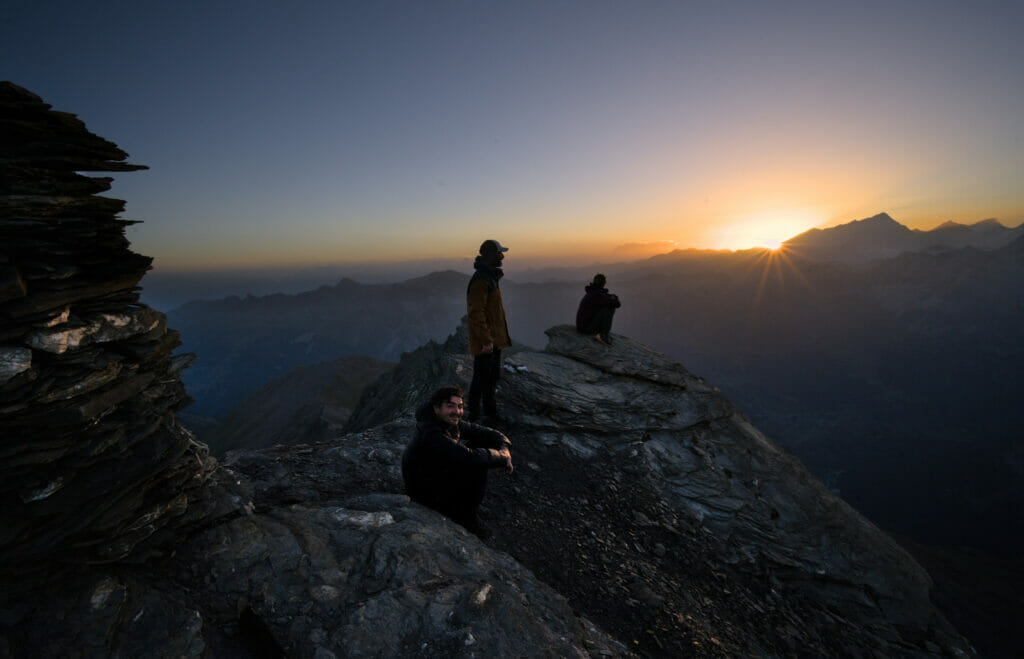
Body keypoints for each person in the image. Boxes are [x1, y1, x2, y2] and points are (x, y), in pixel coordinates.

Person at [402, 385, 513, 538]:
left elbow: (488, 433)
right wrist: (502, 458)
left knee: (479, 444)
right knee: (477, 464)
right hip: (425, 493)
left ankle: (463, 507)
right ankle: (466, 518)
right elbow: (472, 459)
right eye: (450, 406)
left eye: (460, 406)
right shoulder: (431, 434)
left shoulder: (447, 421)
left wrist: (504, 448)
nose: (457, 411)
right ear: (436, 408)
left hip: (436, 474)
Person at [466, 239, 512, 421]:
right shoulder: (481, 280)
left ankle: (490, 412)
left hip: (494, 340)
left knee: (492, 378)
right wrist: (486, 341)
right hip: (487, 342)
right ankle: (474, 415)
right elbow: (476, 313)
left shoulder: (490, 278)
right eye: (499, 253)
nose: (502, 256)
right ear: (490, 256)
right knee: (480, 379)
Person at [575, 273, 621, 345]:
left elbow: (608, 298)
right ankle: (604, 335)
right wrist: (614, 298)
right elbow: (616, 304)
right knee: (608, 309)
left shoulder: (594, 292)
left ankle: (603, 334)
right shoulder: (596, 295)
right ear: (603, 283)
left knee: (608, 306)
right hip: (586, 328)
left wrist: (613, 297)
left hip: (584, 325)